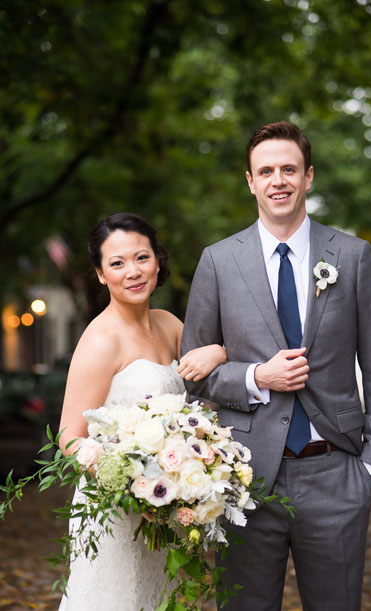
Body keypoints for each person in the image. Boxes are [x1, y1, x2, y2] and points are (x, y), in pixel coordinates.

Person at [181, 121, 371, 610]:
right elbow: (192, 376)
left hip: (336, 473)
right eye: (266, 171)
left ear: (308, 177)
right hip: (244, 480)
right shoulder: (218, 262)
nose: (277, 180)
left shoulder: (352, 255)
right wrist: (256, 377)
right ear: (250, 181)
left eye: (288, 169)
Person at [57, 212, 228, 610]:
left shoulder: (168, 324)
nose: (132, 272)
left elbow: (206, 376)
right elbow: (68, 434)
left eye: (141, 257)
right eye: (117, 263)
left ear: (157, 260)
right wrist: (129, 480)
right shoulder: (101, 340)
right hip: (117, 510)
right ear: (101, 274)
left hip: (165, 510)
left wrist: (218, 351)